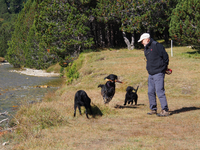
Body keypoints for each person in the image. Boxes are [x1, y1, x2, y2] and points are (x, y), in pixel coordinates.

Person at [138, 33, 170, 117]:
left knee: (160, 91)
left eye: (142, 41)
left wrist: (164, 67)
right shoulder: (146, 48)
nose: (142, 43)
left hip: (159, 72)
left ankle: (165, 110)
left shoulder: (156, 45)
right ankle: (153, 109)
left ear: (147, 39)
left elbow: (165, 57)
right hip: (151, 73)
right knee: (150, 92)